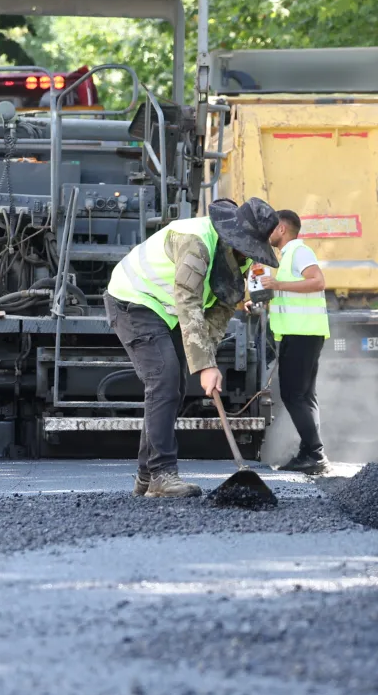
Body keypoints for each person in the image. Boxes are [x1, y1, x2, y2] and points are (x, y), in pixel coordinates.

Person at [105, 196, 288, 498]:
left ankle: (147, 476)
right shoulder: (196, 241)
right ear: (235, 234)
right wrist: (204, 365)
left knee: (173, 387)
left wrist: (209, 358)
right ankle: (162, 474)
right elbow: (188, 300)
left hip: (165, 312)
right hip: (132, 300)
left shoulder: (236, 258)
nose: (249, 252)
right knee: (163, 381)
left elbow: (220, 312)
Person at [258, 209, 330, 475]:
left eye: (269, 228)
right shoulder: (287, 257)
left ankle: (315, 454)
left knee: (293, 395)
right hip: (300, 333)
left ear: (281, 229)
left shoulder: (300, 251)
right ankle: (309, 452)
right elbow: (289, 295)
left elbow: (317, 281)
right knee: (305, 396)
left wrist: (277, 284)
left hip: (303, 334)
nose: (267, 233)